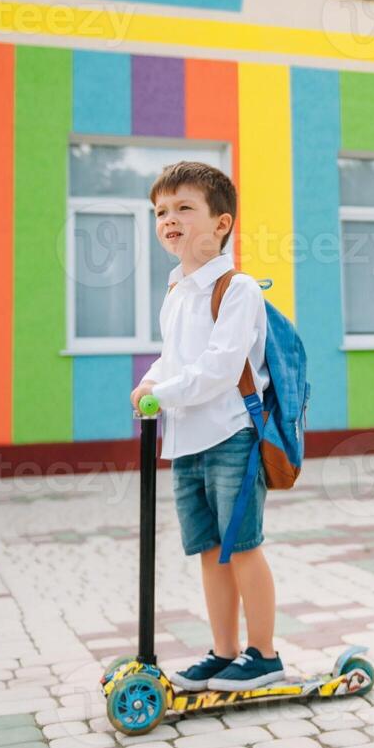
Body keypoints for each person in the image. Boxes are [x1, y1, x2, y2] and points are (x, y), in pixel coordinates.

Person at [130, 160, 285, 692]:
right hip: (186, 440)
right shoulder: (176, 291)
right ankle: (225, 651)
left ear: (221, 223)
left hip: (232, 436)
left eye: (183, 208)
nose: (169, 219)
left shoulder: (237, 289)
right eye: (161, 211)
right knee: (208, 550)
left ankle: (264, 656)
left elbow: (220, 368)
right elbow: (174, 360)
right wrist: (150, 383)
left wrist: (162, 393)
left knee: (241, 546)